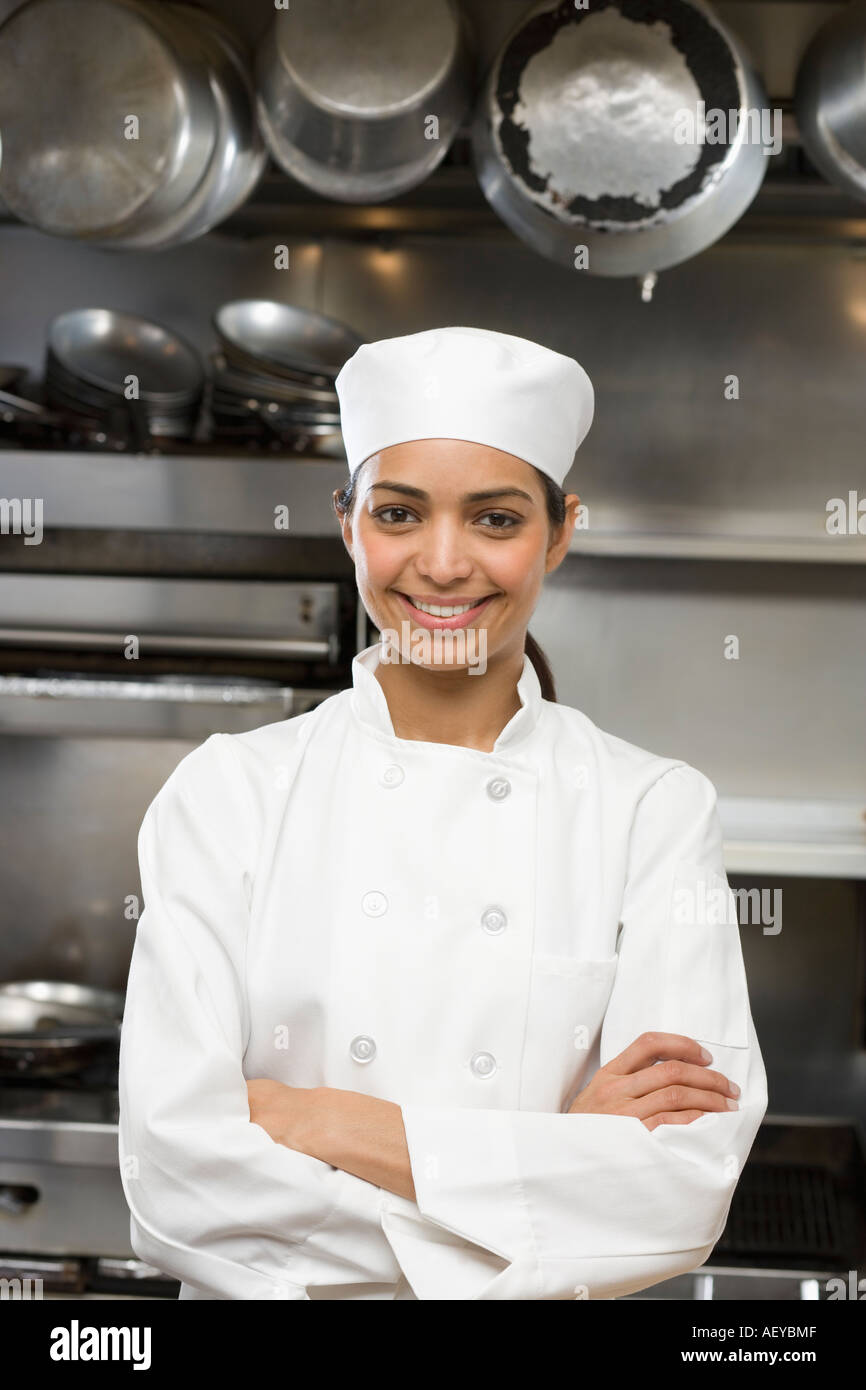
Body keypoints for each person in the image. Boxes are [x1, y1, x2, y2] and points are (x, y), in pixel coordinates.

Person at [118, 325, 768, 1301]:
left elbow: (677, 1191)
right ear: (348, 525)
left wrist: (331, 1124)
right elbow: (178, 1185)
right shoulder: (229, 794)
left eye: (495, 520)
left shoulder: (650, 810)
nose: (442, 562)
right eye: (398, 513)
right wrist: (554, 1161)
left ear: (559, 530)